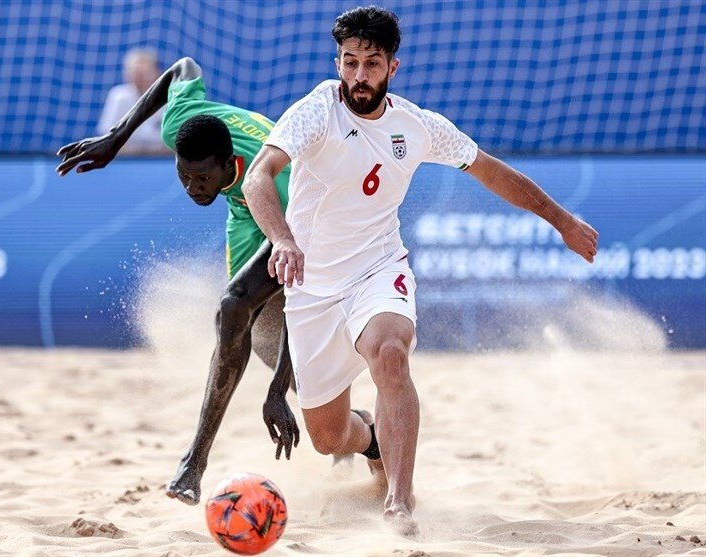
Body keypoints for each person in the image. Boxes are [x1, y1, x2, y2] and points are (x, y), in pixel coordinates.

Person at [242, 6, 599, 535]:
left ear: (393, 67)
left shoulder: (416, 125)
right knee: (328, 438)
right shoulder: (317, 110)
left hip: (377, 270)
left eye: (371, 64)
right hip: (313, 288)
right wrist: (283, 240)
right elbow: (258, 177)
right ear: (338, 62)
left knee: (391, 356)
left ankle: (399, 503)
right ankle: (372, 443)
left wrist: (562, 220)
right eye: (349, 62)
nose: (359, 76)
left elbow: (491, 172)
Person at [56, 56, 301, 506]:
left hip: (294, 216)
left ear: (229, 163)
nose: (192, 188)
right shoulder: (182, 126)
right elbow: (183, 68)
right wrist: (116, 137)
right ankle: (325, 411)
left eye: (202, 177)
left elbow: (306, 301)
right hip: (244, 207)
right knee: (253, 331)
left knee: (236, 308)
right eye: (184, 176)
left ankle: (193, 461)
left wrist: (275, 390)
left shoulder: (288, 188)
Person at [97, 48, 169, 155]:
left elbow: (179, 142)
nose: (141, 78)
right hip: (126, 161)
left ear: (157, 72)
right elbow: (106, 137)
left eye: (145, 73)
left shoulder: (172, 99)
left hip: (162, 162)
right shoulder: (118, 96)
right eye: (136, 73)